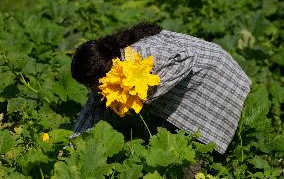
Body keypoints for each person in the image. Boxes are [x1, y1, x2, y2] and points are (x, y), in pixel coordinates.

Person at [70, 22, 251, 155]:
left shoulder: (138, 54)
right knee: (178, 138)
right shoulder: (109, 75)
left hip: (213, 71)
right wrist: (71, 146)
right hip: (199, 72)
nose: (91, 89)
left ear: (101, 74)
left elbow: (186, 59)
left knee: (196, 138)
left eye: (89, 84)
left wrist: (145, 93)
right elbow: (93, 109)